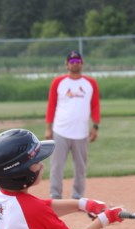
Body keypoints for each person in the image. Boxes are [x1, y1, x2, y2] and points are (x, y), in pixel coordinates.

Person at [45, 51, 101, 200]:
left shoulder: (90, 83)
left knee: (80, 168)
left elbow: (95, 106)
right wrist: (48, 128)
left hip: (81, 133)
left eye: (77, 60)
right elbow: (51, 105)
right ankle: (55, 195)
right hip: (60, 130)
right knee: (56, 166)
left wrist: (95, 126)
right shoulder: (58, 82)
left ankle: (77, 196)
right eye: (71, 61)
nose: (74, 63)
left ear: (82, 63)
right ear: (66, 64)